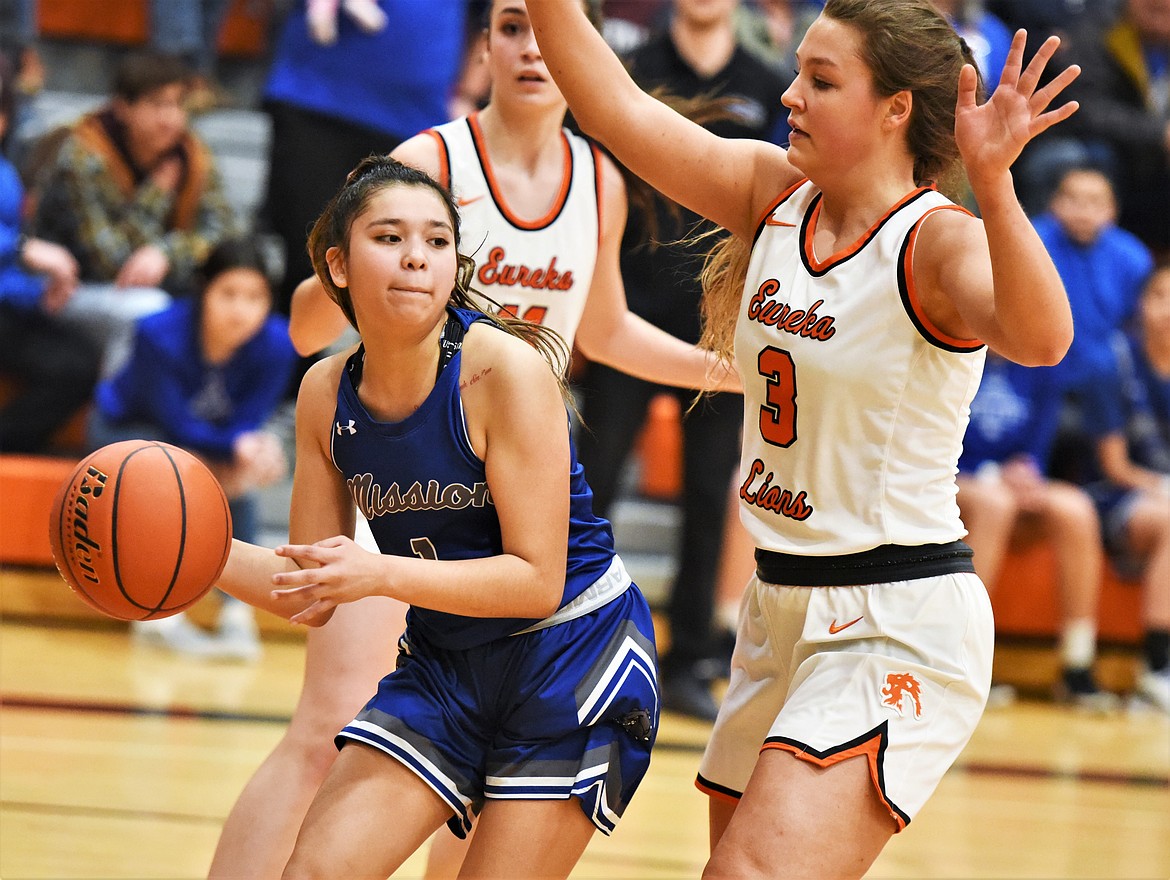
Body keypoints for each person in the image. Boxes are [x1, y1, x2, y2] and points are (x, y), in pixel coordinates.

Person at [527, 0, 1079, 876]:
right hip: (778, 607)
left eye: (821, 81)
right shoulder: (772, 191)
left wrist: (996, 179)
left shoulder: (937, 245)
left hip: (894, 616)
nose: (788, 95)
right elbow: (615, 110)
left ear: (896, 109)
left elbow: (1044, 338)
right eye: (797, 71)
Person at [209, 2, 735, 876]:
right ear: (482, 45)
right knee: (328, 726)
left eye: (549, 28)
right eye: (510, 28)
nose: (532, 49)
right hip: (402, 469)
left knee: (468, 805)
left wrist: (725, 372)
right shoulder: (428, 162)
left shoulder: (597, 180)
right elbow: (312, 326)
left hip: (511, 502)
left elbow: (598, 328)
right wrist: (354, 281)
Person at [214, 155, 660, 878]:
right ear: (337, 264)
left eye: (437, 241)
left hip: (572, 654)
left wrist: (380, 573)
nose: (416, 257)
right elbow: (308, 587)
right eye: (388, 238)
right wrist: (194, 553)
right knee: (316, 871)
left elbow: (536, 581)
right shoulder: (325, 392)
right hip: (447, 664)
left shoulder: (501, 373)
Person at [574, 0, 788, 722]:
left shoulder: (768, 81)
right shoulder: (631, 70)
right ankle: (570, 638)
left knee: (709, 494)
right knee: (590, 481)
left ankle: (691, 657)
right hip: (629, 310)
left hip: (722, 326)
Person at [87, 237, 297, 660]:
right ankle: (154, 610)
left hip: (209, 442)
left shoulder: (278, 344)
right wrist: (234, 447)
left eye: (255, 297)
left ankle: (238, 615)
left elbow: (252, 421)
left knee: (238, 481)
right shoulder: (157, 333)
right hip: (128, 429)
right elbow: (173, 420)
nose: (241, 309)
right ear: (204, 291)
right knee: (174, 477)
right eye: (229, 294)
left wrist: (256, 451)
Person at [256, 0, 485, 316]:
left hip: (421, 117)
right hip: (317, 100)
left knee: (412, 267)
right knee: (305, 257)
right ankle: (293, 364)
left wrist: (469, 92)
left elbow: (495, 11)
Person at [25, 50, 237, 371]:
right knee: (147, 310)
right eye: (156, 105)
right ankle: (114, 417)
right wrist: (155, 196)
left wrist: (165, 253)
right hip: (68, 288)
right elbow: (110, 263)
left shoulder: (191, 154)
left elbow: (223, 230)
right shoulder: (83, 155)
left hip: (158, 282)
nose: (171, 118)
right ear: (123, 108)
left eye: (178, 104)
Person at [957, 351, 1118, 710]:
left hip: (1012, 484)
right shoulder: (954, 354)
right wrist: (990, 473)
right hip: (957, 480)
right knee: (994, 503)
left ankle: (1077, 666)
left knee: (1075, 508)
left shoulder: (1039, 363)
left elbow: (1037, 445)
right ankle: (963, 660)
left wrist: (1027, 470)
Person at [1078, 264, 1170, 713]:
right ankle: (1157, 670)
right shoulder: (1113, 361)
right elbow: (1115, 466)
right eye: (1160, 296)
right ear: (1141, 304)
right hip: (1117, 497)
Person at [0, 49, 100, 454]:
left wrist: (39, 292)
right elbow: (16, 249)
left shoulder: (6, 171)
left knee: (78, 362)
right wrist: (24, 249)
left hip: (8, 307)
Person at [1032, 165, 1155, 483]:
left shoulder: (1133, 256)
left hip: (1106, 380)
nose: (1084, 211)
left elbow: (1140, 329)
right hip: (1035, 369)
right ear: (1054, 203)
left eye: (1095, 202)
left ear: (1112, 210)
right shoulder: (1031, 241)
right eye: (1073, 199)